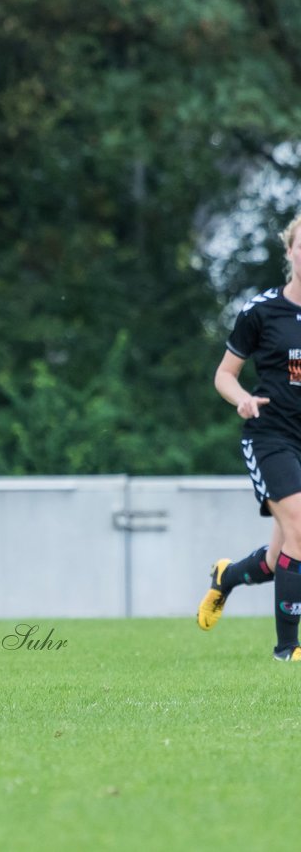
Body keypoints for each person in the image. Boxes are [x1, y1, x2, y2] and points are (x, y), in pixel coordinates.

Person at [199, 210, 301, 660]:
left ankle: (227, 577)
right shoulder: (261, 311)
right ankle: (287, 650)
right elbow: (224, 374)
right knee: (300, 529)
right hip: (270, 436)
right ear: (290, 251)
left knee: (279, 556)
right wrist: (241, 397)